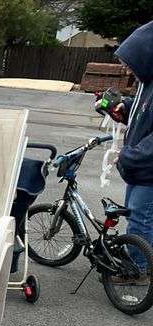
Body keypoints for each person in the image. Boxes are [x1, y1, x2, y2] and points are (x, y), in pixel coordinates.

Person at [99, 21, 153, 282]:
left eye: (131, 63)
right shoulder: (147, 82)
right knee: (137, 216)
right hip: (141, 169)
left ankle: (138, 270)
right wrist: (125, 107)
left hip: (148, 170)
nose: (127, 68)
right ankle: (140, 260)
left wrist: (129, 155)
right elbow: (145, 111)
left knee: (141, 219)